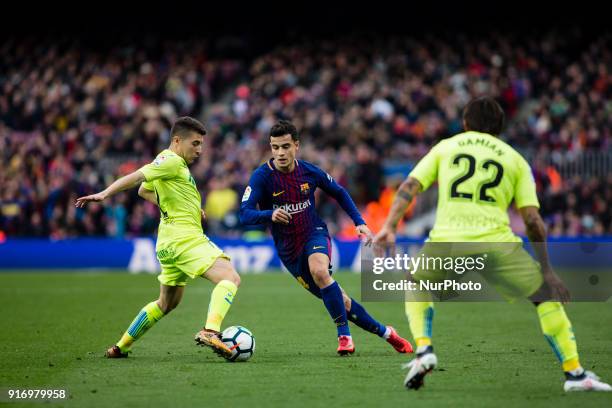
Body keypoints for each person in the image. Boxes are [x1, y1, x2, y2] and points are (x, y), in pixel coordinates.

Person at [374, 96, 611, 391]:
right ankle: (574, 374)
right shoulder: (515, 159)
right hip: (498, 243)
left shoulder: (446, 147)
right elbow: (533, 220)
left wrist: (389, 226)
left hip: (448, 240)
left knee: (416, 284)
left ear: (465, 123)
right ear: (499, 127)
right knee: (545, 297)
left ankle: (424, 350)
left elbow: (410, 186)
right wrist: (547, 270)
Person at [239, 119, 413, 355]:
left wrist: (359, 222)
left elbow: (339, 192)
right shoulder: (262, 177)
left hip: (314, 233)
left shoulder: (309, 171)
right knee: (343, 302)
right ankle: (387, 333)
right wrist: (270, 214)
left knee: (320, 271)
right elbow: (245, 213)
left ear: (296, 146)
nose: (280, 153)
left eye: (285, 147)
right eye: (275, 147)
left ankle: (344, 337)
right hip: (289, 251)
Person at [75, 116, 240, 358]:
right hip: (185, 238)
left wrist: (189, 207)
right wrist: (105, 193)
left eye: (201, 144)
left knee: (167, 303)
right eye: (195, 143)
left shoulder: (173, 165)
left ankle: (121, 346)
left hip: (167, 243)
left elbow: (145, 191)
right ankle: (210, 331)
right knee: (230, 277)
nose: (200, 150)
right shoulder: (170, 160)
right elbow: (138, 178)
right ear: (177, 140)